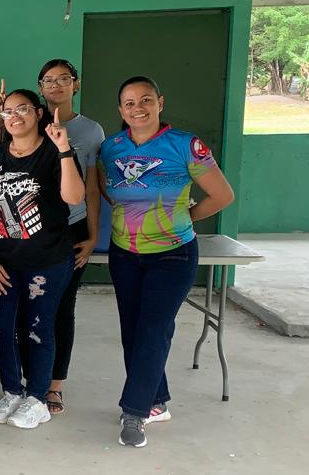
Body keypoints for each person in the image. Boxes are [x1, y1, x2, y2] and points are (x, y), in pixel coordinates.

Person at [99, 76, 235, 449]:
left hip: (173, 254)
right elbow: (106, 190)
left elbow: (222, 195)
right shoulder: (111, 148)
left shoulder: (185, 145)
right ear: (120, 110)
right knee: (133, 331)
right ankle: (156, 401)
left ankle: (135, 411)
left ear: (160, 102)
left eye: (146, 100)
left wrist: (186, 216)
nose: (138, 108)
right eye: (129, 103)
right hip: (125, 253)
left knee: (153, 329)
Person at [0, 60, 105, 416]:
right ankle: (15, 390)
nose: (15, 116)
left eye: (22, 110)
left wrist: (93, 235)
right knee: (6, 325)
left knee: (48, 319)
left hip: (55, 245)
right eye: (9, 112)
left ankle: (45, 391)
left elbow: (81, 193)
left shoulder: (74, 140)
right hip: (7, 254)